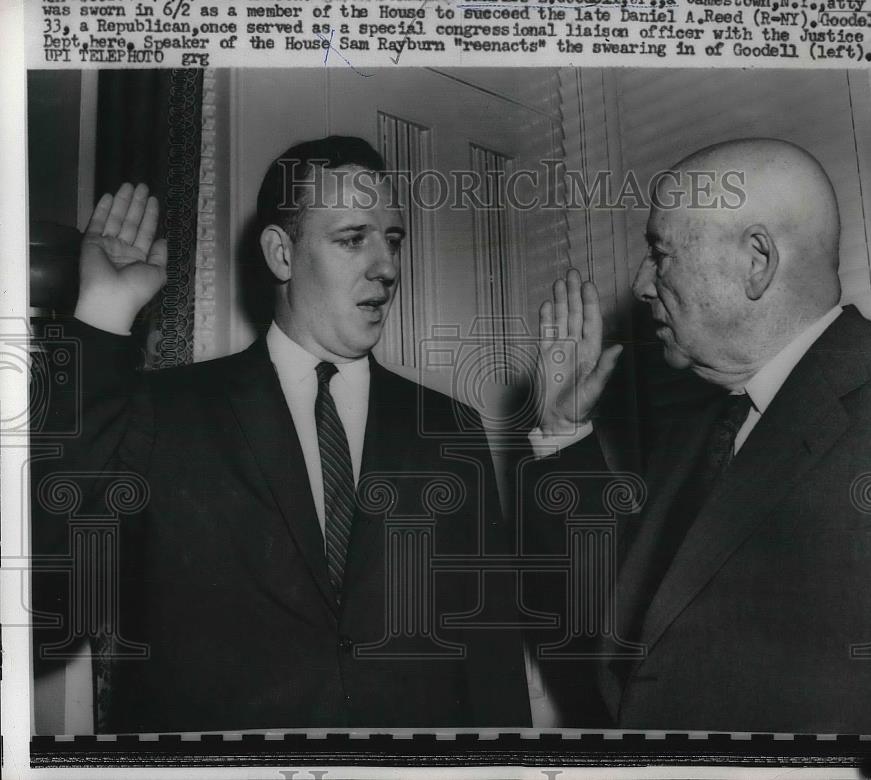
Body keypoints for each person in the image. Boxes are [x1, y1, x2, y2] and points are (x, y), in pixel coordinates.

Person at [32, 136, 529, 732]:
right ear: (282, 254)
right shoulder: (167, 412)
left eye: (392, 239)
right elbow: (48, 594)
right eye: (352, 239)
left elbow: (491, 661)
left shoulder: (450, 428)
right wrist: (102, 321)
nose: (388, 267)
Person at [527, 138, 871, 733]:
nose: (643, 284)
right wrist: (563, 431)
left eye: (661, 254)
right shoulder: (704, 427)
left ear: (756, 261)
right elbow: (629, 633)